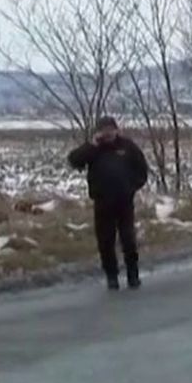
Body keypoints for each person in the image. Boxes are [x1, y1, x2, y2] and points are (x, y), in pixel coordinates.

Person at [68, 116, 150, 290]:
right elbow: (74, 160)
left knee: (128, 239)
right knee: (105, 242)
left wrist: (132, 186)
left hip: (124, 201)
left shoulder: (127, 146)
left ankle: (133, 275)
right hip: (102, 202)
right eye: (104, 130)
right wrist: (91, 145)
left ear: (116, 130)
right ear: (99, 132)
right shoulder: (94, 149)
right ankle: (111, 277)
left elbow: (142, 168)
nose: (108, 133)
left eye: (111, 129)